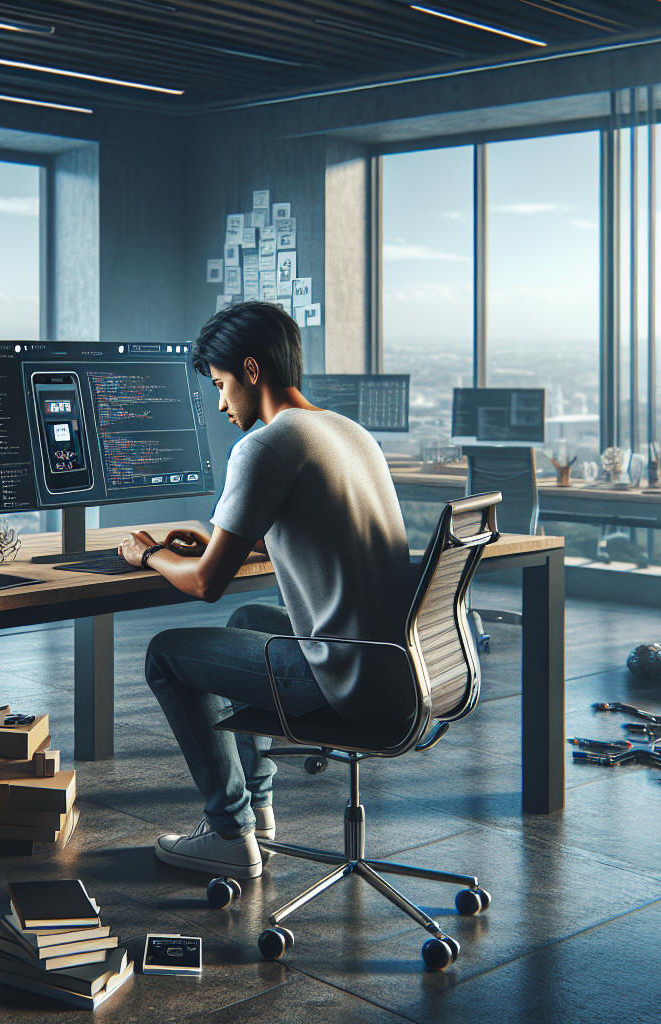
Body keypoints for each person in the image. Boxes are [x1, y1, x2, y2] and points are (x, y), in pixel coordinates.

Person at [118, 301, 412, 878]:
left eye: (223, 385)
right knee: (251, 618)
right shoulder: (347, 432)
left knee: (167, 654)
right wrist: (218, 539)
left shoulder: (268, 444)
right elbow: (318, 533)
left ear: (252, 371)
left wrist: (148, 555)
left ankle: (229, 832)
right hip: (402, 665)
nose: (222, 404)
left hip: (346, 678)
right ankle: (258, 810)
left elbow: (205, 585)